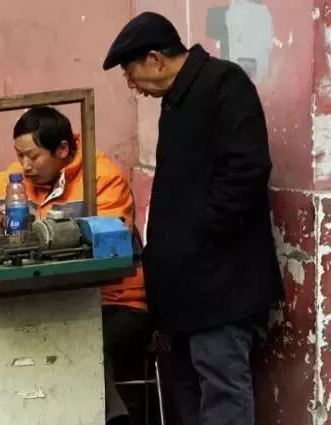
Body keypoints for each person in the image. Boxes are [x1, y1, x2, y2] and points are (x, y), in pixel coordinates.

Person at [102, 11, 284, 425]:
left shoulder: (224, 84)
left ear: (154, 59)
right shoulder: (177, 98)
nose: (131, 84)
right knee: (184, 388)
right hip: (182, 284)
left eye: (130, 72)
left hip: (219, 281)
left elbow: (246, 171)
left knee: (222, 387)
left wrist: (199, 237)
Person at [0, 106, 152, 425]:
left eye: (32, 156)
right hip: (54, 297)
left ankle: (114, 418)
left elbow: (110, 241)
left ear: (62, 150)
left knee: (78, 336)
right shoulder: (21, 179)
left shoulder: (102, 178)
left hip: (115, 300)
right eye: (19, 156)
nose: (25, 165)